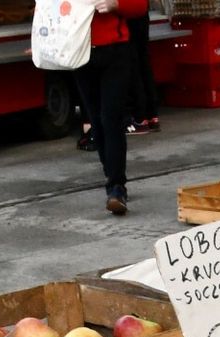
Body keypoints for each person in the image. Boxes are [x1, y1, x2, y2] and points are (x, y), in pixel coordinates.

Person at [75, 0, 148, 215]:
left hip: (115, 51)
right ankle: (112, 177)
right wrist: (45, 39)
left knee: (110, 117)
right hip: (79, 52)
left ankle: (117, 187)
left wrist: (115, 4)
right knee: (96, 121)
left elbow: (140, 5)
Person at [126, 2, 161, 136]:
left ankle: (140, 118)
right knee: (143, 63)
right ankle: (152, 115)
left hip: (128, 16)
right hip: (141, 13)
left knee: (132, 65)